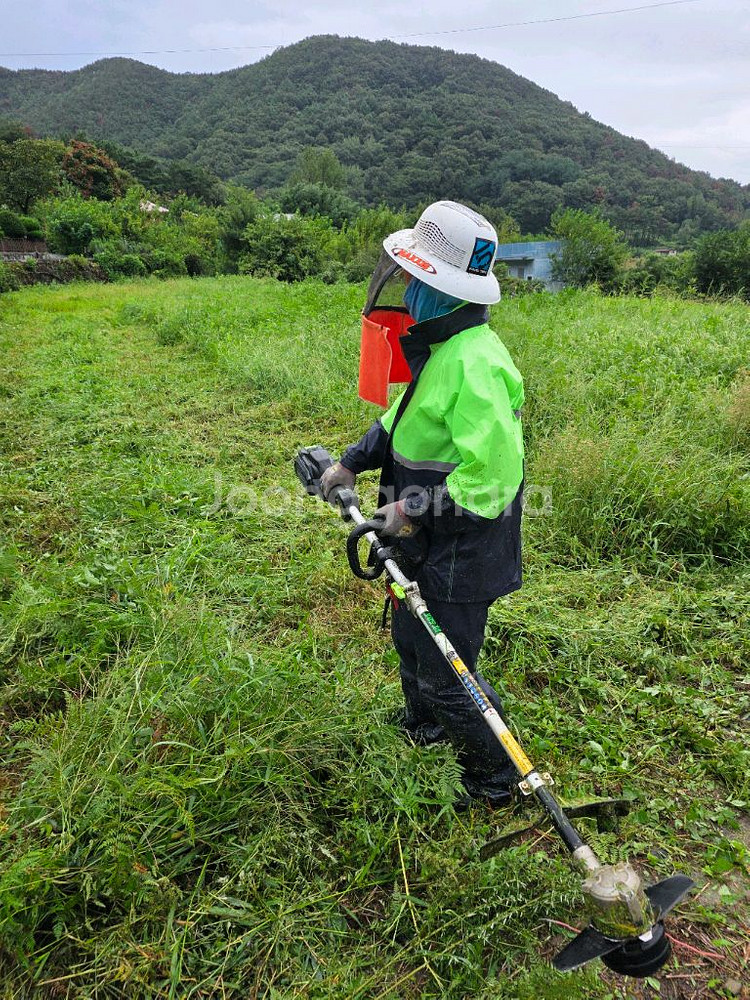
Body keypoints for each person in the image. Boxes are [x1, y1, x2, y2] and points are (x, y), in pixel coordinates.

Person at [321, 200, 525, 805]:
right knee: (411, 638)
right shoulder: (441, 349)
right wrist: (352, 461)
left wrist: (411, 508)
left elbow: (490, 480)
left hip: (464, 547)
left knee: (446, 668)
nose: (406, 291)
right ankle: (425, 728)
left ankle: (496, 779)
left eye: (415, 280)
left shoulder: (478, 363)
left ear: (446, 290)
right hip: (424, 536)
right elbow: (400, 420)